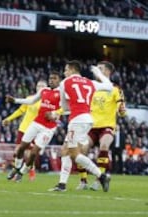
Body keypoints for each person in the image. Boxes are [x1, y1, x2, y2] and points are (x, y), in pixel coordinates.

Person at [49, 60, 112, 192]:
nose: (64, 73)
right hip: (88, 119)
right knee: (65, 150)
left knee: (74, 154)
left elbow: (65, 107)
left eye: (66, 70)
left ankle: (101, 176)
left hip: (77, 120)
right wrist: (98, 73)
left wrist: (61, 112)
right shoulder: (90, 82)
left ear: (72, 70)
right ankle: (62, 184)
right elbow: (109, 86)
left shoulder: (65, 82)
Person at [76, 61, 127, 190]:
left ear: (107, 72)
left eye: (100, 69)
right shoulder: (92, 87)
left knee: (104, 146)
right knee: (82, 150)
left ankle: (99, 181)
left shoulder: (115, 89)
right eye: (96, 68)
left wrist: (122, 112)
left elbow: (122, 109)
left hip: (107, 126)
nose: (96, 71)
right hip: (91, 126)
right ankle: (83, 181)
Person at [6, 71, 61, 182]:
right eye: (50, 78)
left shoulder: (62, 93)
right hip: (36, 123)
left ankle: (23, 172)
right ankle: (16, 168)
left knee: (33, 153)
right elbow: (30, 101)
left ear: (59, 80)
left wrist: (55, 114)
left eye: (54, 78)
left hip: (48, 128)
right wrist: (15, 100)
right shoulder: (43, 91)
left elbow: (67, 108)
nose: (51, 80)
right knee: (21, 148)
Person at [2, 80, 47, 181]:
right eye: (38, 85)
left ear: (46, 88)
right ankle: (17, 172)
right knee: (18, 151)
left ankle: (30, 172)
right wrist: (9, 119)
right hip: (23, 128)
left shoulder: (47, 102)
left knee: (29, 154)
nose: (40, 87)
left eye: (42, 86)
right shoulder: (30, 99)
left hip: (36, 129)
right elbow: (21, 110)